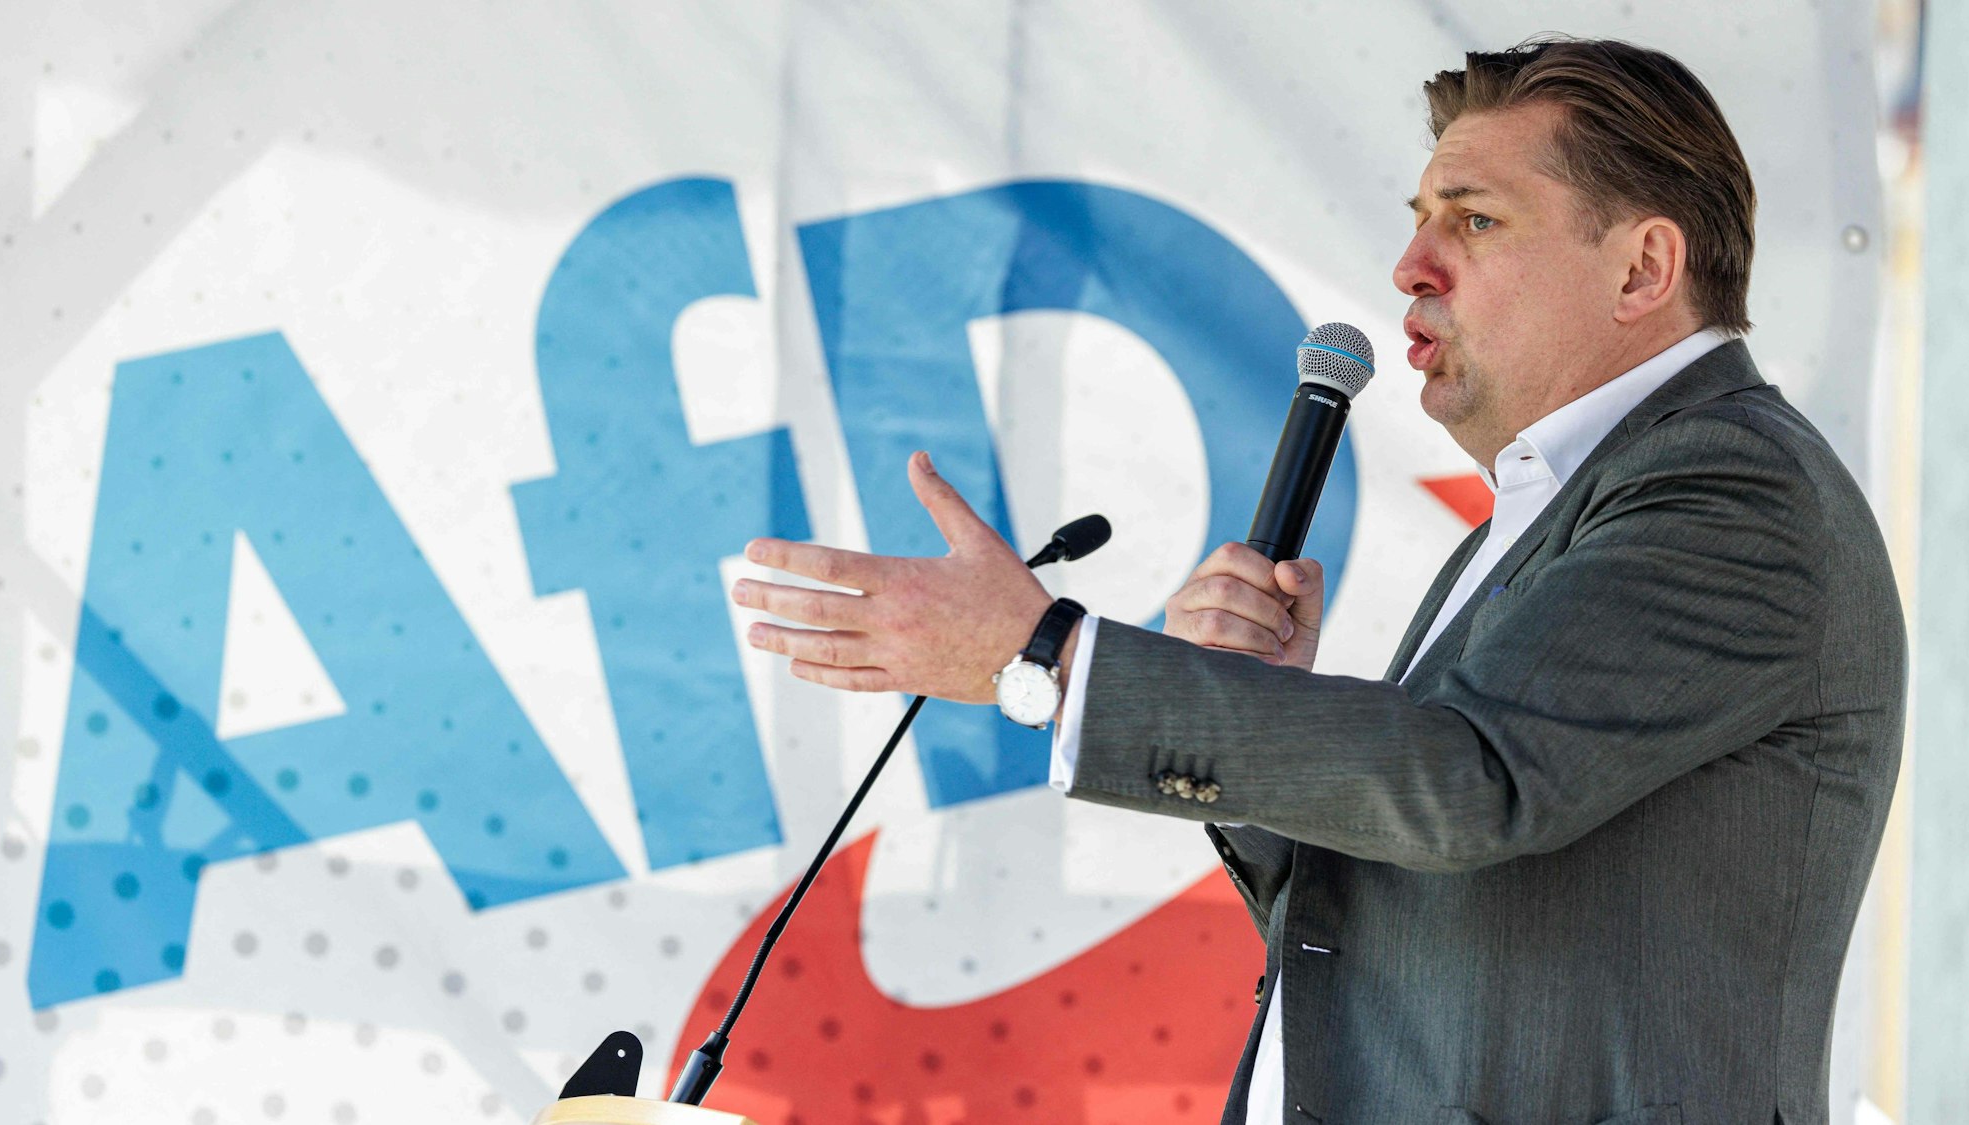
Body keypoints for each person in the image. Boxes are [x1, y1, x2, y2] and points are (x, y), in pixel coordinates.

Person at [729, 36, 1905, 1125]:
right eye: (1418, 219)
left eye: (1474, 220)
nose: (1409, 264)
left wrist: (1045, 657)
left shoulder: (1726, 492)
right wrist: (1262, 725)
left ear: (1642, 265)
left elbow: (1471, 787)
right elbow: (1408, 889)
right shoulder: (1570, 497)